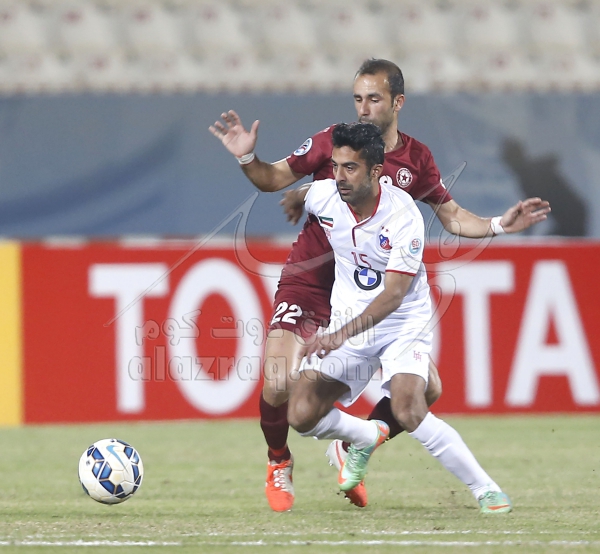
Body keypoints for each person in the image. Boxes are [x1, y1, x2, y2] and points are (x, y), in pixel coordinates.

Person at [209, 58, 550, 512]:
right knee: (280, 385)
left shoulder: (410, 181)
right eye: (358, 98)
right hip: (316, 279)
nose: (364, 108)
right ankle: (281, 460)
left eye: (374, 98)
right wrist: (256, 164)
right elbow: (282, 183)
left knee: (423, 395)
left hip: (381, 296)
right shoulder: (334, 146)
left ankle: (365, 447)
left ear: (397, 103)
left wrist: (498, 225)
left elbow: (451, 219)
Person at [287, 121, 512, 514]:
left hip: (400, 321)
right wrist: (295, 197)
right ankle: (364, 436)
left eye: (350, 168)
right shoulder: (326, 195)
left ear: (376, 171)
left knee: (410, 408)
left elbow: (393, 295)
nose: (339, 177)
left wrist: (338, 335)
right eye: (335, 166)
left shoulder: (403, 215)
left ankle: (485, 489)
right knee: (301, 414)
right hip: (350, 319)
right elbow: (308, 192)